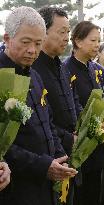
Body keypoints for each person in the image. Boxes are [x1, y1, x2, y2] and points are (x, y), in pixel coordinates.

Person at [0, 6, 77, 205]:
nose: (32, 50)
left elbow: (48, 122)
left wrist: (60, 156)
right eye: (25, 43)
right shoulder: (1, 78)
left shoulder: (35, 75)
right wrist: (42, 165)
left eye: (38, 43)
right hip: (15, 186)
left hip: (45, 183)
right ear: (7, 39)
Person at [31, 7, 82, 204]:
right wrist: (68, 138)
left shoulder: (62, 66)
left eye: (68, 32)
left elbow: (73, 103)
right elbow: (42, 119)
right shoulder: (33, 68)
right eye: (61, 32)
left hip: (71, 152)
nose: (67, 37)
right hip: (47, 158)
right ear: (43, 31)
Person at [63, 21, 104, 205]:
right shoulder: (65, 69)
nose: (97, 44)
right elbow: (71, 108)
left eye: (98, 40)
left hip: (99, 143)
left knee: (95, 191)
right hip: (77, 144)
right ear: (77, 41)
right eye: (93, 40)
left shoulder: (99, 70)